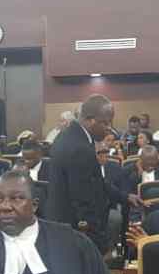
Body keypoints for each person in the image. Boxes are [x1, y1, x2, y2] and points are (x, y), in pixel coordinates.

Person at [48, 94, 117, 253]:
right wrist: (99, 240)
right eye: (105, 122)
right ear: (90, 120)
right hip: (75, 230)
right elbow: (83, 199)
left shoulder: (68, 135)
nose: (109, 128)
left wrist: (124, 197)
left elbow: (94, 181)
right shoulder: (80, 147)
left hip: (61, 223)